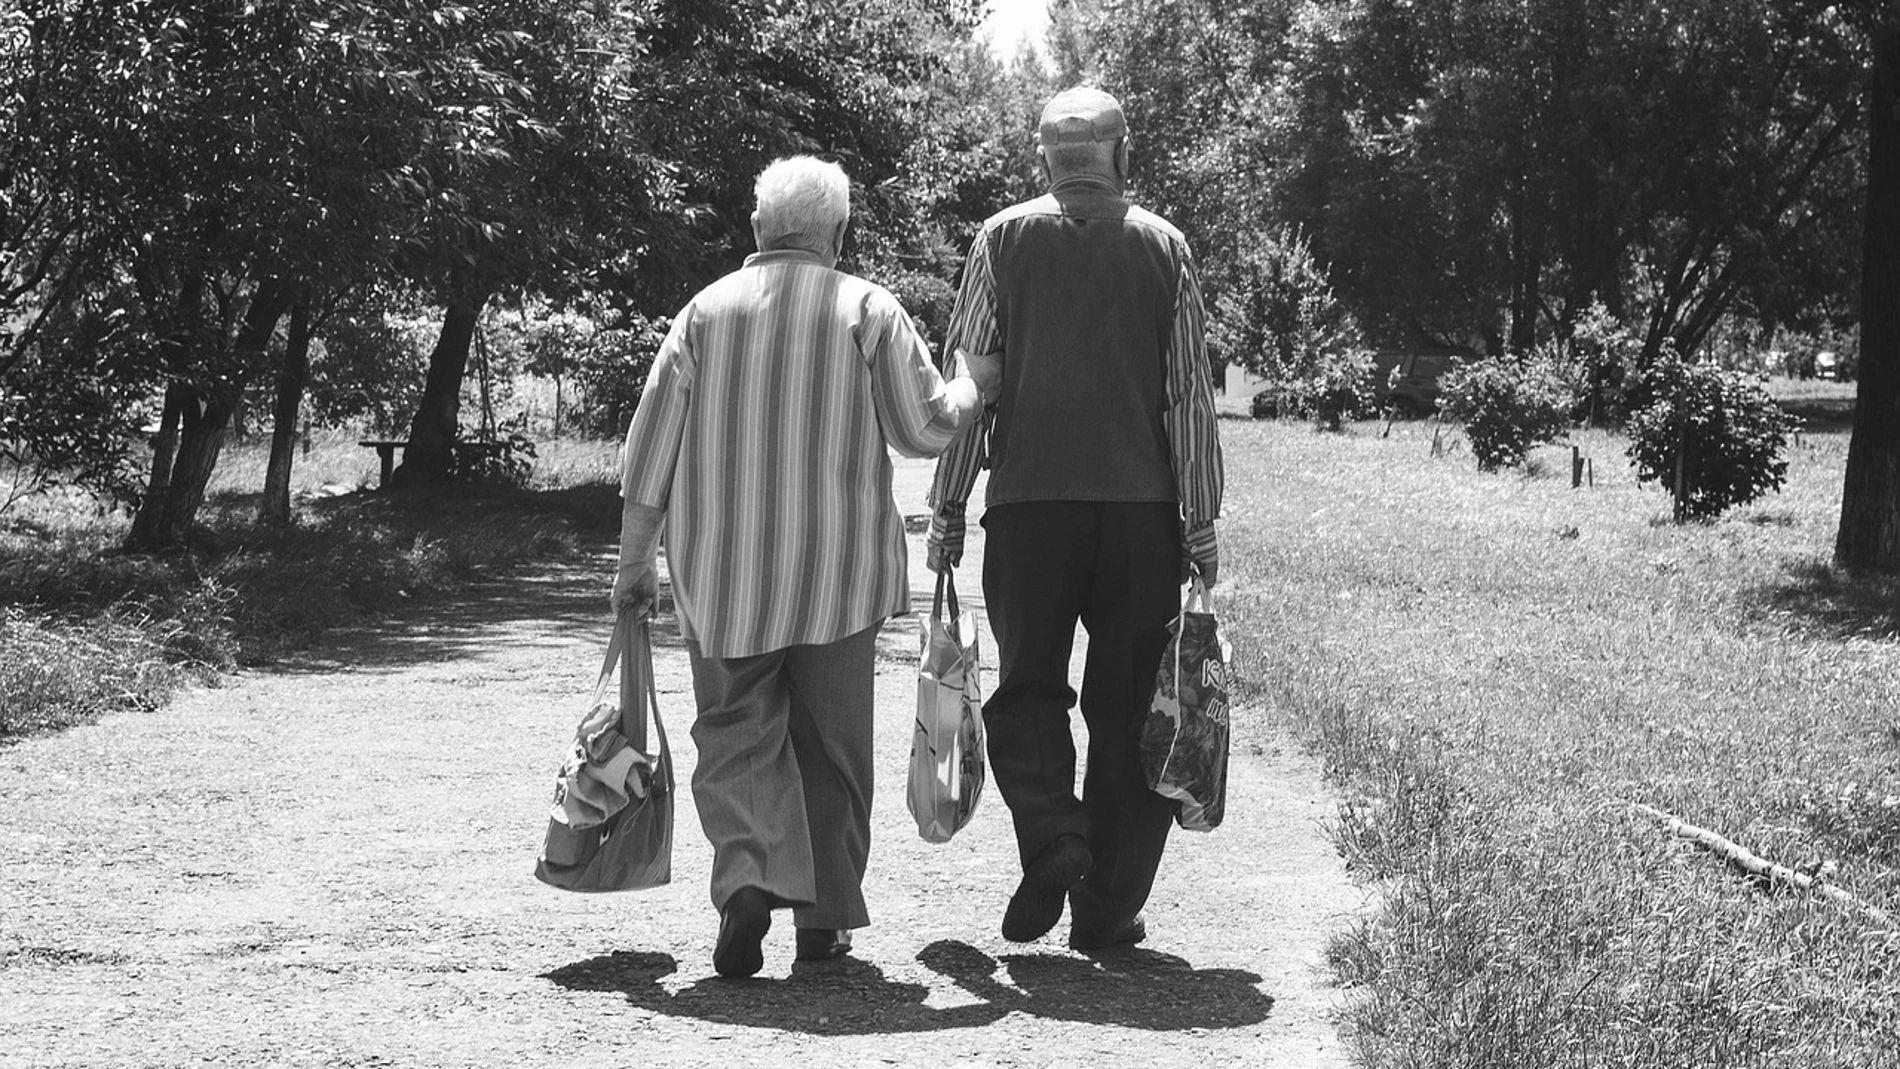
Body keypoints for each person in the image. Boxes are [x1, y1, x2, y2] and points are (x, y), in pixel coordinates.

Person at [613, 156, 1001, 979]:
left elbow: (649, 454)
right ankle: (823, 923)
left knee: (734, 731)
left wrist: (634, 565)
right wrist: (973, 387)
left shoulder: (702, 314)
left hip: (723, 579)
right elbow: (924, 427)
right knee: (832, 747)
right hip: (837, 577)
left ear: (759, 229)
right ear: (837, 232)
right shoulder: (866, 307)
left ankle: (751, 876)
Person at [926, 87, 1224, 952]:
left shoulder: (1001, 238)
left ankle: (1055, 830)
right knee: (1133, 705)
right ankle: (1105, 907)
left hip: (1029, 511)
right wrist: (1199, 526)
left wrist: (946, 504)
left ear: (1043, 161)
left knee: (1026, 687)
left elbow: (971, 385)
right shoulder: (1165, 247)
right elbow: (1189, 403)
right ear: (1123, 156)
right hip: (1140, 518)